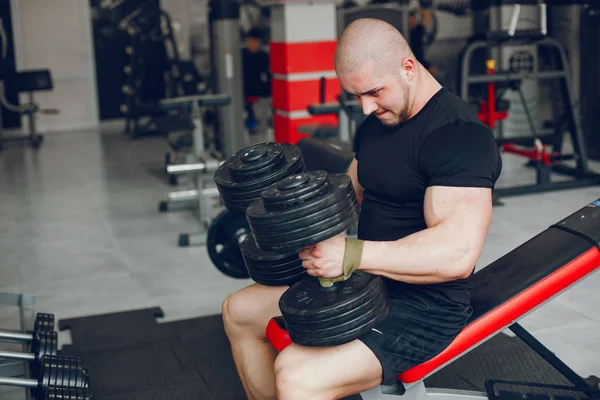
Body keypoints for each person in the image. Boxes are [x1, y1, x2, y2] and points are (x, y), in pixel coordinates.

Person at [222, 17, 502, 400]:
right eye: (355, 96)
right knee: (240, 311)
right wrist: (282, 212)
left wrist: (352, 254)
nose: (366, 107)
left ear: (407, 67)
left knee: (297, 375)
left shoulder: (457, 136)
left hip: (424, 307)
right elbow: (348, 195)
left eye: (373, 92)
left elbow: (456, 254)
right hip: (369, 281)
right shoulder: (377, 124)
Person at [242, 27, 272, 135]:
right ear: (247, 41)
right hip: (245, 95)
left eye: (256, 42)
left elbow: (269, 75)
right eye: (251, 41)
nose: (253, 44)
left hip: (261, 95)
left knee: (261, 123)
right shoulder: (242, 55)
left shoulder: (263, 56)